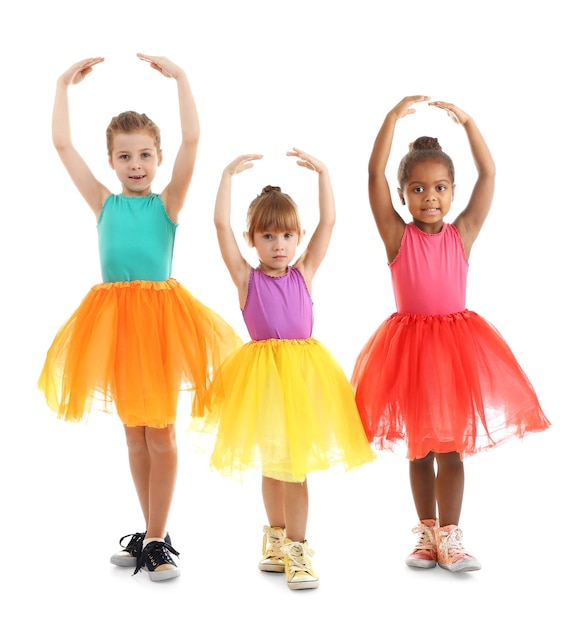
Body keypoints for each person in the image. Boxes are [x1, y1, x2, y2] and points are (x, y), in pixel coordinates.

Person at [38, 54, 242, 582]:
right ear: (110, 161)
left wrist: (182, 79)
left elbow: (194, 143)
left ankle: (157, 539)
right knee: (134, 435)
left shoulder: (167, 205)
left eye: (145, 154)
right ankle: (150, 532)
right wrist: (63, 85)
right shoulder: (103, 203)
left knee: (162, 435)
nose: (136, 164)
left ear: (158, 157)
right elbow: (62, 145)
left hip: (160, 325)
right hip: (115, 327)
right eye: (125, 156)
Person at [351, 96, 551, 573]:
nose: (430, 197)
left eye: (440, 187)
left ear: (453, 191)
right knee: (419, 448)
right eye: (417, 189)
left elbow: (490, 175)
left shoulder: (463, 233)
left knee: (452, 449)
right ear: (402, 195)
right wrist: (390, 119)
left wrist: (470, 123)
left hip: (456, 352)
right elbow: (372, 175)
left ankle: (451, 537)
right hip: (408, 352)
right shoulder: (397, 237)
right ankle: (424, 535)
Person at [190, 150, 375, 590]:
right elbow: (218, 227)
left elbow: (329, 224)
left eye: (287, 235)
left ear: (298, 237)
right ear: (252, 239)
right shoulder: (245, 279)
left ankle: (297, 546)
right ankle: (275, 542)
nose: (278, 245)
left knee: (295, 467)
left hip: (303, 383)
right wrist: (225, 176)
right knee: (273, 466)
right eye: (268, 236)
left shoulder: (304, 273)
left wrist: (325, 174)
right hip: (261, 383)